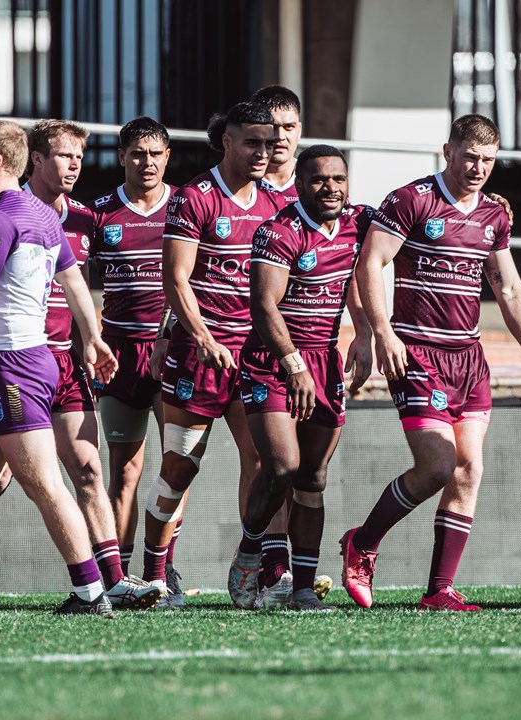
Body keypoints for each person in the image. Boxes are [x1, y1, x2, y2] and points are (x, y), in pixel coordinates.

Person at [340, 114, 521, 611]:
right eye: (470, 157)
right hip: (418, 353)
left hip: (469, 358)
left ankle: (439, 589)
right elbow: (370, 262)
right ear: (448, 152)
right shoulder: (413, 200)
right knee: (437, 465)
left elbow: (509, 288)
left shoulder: (494, 217)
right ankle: (363, 543)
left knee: (468, 470)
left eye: (489, 160)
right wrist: (381, 333)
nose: (479, 168)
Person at [0, 120, 163, 611]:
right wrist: (95, 338)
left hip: (15, 365)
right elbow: (72, 279)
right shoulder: (42, 214)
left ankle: (93, 589)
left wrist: (91, 340)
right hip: (17, 362)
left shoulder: (1, 218)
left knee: (45, 482)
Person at [140, 102, 279, 591]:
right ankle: (156, 575)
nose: (264, 152)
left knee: (266, 462)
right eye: (252, 143)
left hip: (254, 357)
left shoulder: (277, 204)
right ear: (227, 142)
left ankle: (255, 569)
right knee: (180, 467)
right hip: (198, 356)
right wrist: (199, 339)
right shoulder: (194, 198)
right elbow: (175, 280)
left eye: (269, 143)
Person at [228, 145, 373, 610]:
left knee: (313, 478)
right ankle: (251, 550)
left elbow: (410, 217)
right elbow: (264, 304)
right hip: (273, 361)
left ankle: (304, 589)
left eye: (338, 179)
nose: (330, 188)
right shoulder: (280, 231)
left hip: (326, 362)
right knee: (283, 467)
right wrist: (293, 365)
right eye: (318, 180)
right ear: (300, 184)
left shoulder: (358, 222)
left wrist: (367, 331)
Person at [88, 117, 183, 606]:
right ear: (122, 155)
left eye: (156, 154)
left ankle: (161, 570)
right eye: (137, 153)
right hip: (119, 356)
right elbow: (72, 282)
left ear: (168, 157)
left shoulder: (187, 207)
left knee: (177, 465)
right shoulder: (99, 213)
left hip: (174, 350)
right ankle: (119, 576)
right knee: (123, 470)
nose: (147, 163)